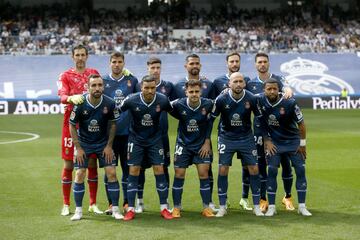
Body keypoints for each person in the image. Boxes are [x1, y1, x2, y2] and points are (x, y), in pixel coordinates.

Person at [119, 75, 173, 221]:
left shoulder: (162, 99)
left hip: (155, 139)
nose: (150, 91)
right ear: (141, 87)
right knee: (134, 171)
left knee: (159, 169)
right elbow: (116, 112)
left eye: (152, 88)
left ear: (156, 87)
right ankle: (130, 209)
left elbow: (176, 112)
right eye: (146, 88)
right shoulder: (131, 99)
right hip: (136, 140)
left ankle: (164, 208)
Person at [69, 74, 123, 220]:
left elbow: (113, 124)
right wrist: (78, 148)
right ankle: (78, 211)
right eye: (93, 85)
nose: (97, 88)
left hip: (103, 144)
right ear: (88, 87)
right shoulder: (80, 103)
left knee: (111, 172)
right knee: (80, 173)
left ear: (103, 87)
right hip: (84, 143)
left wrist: (109, 146)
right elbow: (72, 125)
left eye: (99, 85)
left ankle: (116, 209)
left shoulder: (110, 103)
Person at [245, 52, 294, 213]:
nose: (262, 64)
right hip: (259, 131)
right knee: (261, 165)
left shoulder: (278, 79)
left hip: (280, 132)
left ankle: (287, 197)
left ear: (269, 63)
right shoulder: (250, 83)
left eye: (265, 61)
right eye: (259, 62)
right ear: (255, 64)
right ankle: (263, 199)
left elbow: (287, 88)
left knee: (286, 164)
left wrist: (287, 89)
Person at [211, 72, 264, 217]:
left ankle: (257, 206)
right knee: (223, 170)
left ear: (245, 84)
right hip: (226, 138)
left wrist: (264, 138)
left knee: (254, 169)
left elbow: (260, 119)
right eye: (235, 81)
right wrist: (205, 140)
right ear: (229, 84)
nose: (238, 84)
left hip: (246, 138)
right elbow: (211, 120)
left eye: (241, 81)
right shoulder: (221, 99)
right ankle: (222, 206)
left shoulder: (251, 98)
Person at [57, 45, 102, 216]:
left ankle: (92, 203)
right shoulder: (66, 75)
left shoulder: (93, 72)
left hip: (90, 125)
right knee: (69, 163)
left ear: (87, 56)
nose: (80, 58)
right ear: (72, 56)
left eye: (83, 55)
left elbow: (102, 88)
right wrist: (69, 98)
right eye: (77, 55)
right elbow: (61, 96)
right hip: (71, 124)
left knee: (91, 163)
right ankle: (66, 204)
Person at [258, 78, 312, 217]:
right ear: (264, 90)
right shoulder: (260, 101)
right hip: (274, 143)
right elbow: (261, 123)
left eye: (274, 89)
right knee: (272, 171)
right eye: (269, 89)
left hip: (293, 141)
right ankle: (271, 207)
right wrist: (267, 140)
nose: (271, 91)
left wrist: (302, 145)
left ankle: (302, 206)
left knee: (300, 170)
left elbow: (302, 124)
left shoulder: (290, 102)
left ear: (279, 89)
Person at [174, 54, 217, 211]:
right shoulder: (177, 103)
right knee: (179, 174)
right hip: (183, 143)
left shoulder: (208, 102)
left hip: (201, 143)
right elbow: (165, 106)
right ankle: (177, 207)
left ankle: (207, 206)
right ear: (186, 92)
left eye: (196, 92)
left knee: (205, 173)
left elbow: (213, 116)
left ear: (201, 92)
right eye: (191, 92)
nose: (194, 94)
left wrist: (207, 140)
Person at [211, 52, 252, 211]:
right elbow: (212, 103)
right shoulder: (217, 82)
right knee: (223, 167)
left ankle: (244, 198)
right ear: (227, 63)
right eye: (232, 61)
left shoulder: (246, 80)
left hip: (245, 133)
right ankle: (224, 199)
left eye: (237, 61)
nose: (234, 63)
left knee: (247, 166)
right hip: (226, 133)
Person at [134, 57, 175, 213]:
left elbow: (179, 100)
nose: (155, 70)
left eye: (158, 67)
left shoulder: (168, 87)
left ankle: (165, 202)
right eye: (153, 67)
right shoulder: (139, 86)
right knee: (140, 169)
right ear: (148, 68)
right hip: (141, 136)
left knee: (163, 168)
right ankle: (139, 201)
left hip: (161, 136)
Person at [102, 52, 138, 214]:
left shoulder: (132, 81)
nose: (117, 64)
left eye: (120, 62)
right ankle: (111, 203)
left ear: (124, 63)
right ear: (110, 63)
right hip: (108, 135)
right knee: (109, 169)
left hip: (128, 134)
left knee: (127, 169)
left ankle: (127, 203)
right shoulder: (103, 82)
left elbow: (139, 100)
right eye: (114, 62)